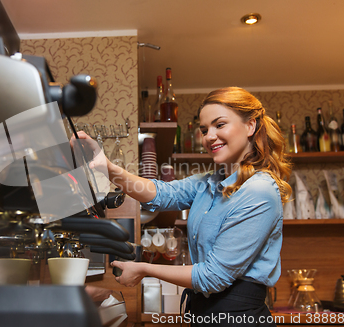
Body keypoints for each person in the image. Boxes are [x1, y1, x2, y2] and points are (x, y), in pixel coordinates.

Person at [77, 87, 292, 326]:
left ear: (250, 126)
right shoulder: (210, 181)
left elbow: (212, 277)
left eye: (219, 125)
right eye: (204, 130)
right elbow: (160, 194)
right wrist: (106, 167)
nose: (209, 137)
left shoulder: (258, 190)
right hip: (205, 313)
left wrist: (143, 269)